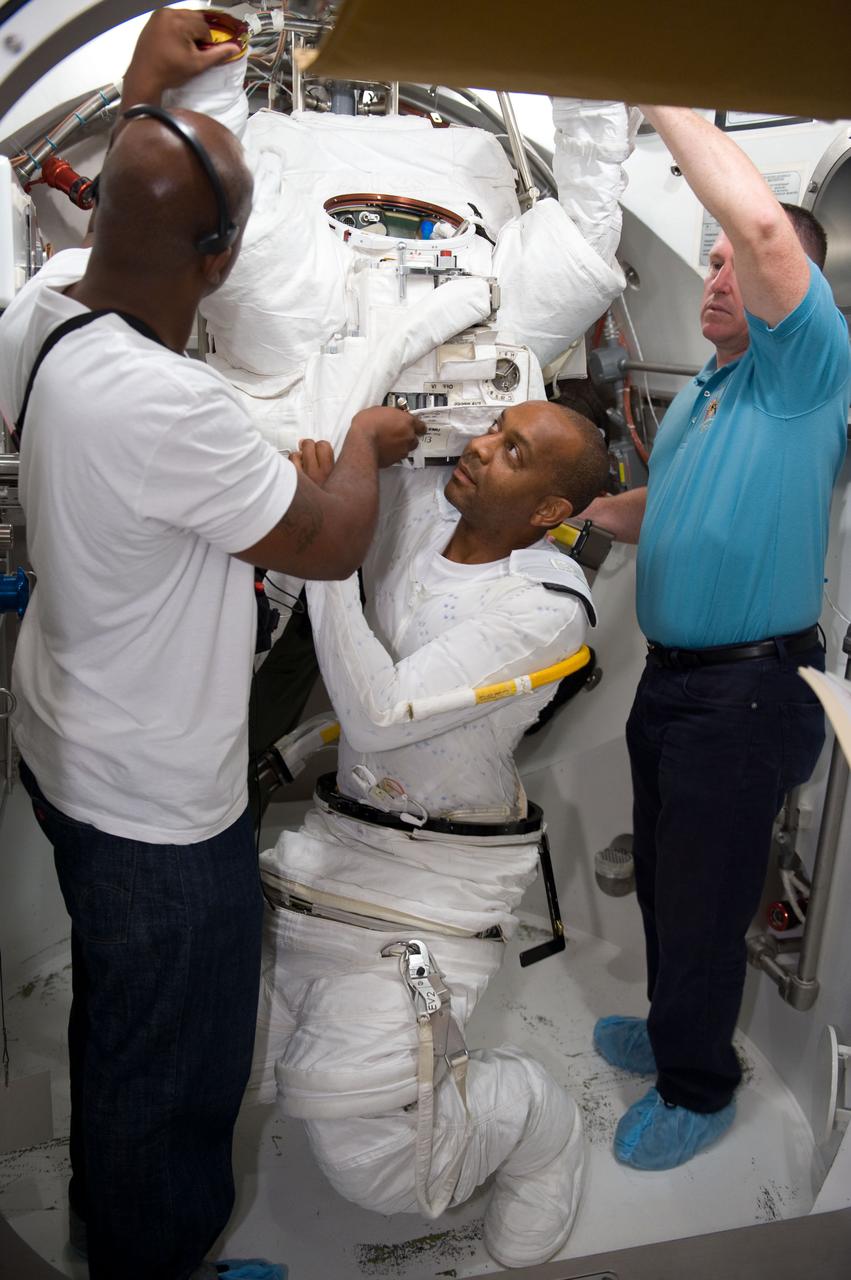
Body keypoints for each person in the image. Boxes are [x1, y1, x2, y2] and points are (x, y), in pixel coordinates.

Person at [0, 10, 421, 1280]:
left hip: (64, 746)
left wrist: (149, 91)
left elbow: (134, 203)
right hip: (157, 815)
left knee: (120, 1022)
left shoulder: (41, 318)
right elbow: (334, 538)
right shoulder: (175, 408)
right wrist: (363, 446)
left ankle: (109, 1218)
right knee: (172, 1064)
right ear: (223, 259)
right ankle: (152, 1256)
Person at [253, 401, 609, 1270]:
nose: (482, 448)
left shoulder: (545, 606)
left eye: (513, 451)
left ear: (548, 513)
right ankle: (426, 1063)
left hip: (432, 887)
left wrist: (329, 541)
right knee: (263, 1051)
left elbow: (378, 716)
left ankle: (538, 1124)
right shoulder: (419, 508)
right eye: (493, 429)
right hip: (340, 846)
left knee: (372, 1165)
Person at [583, 106, 851, 1171]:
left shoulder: (804, 376)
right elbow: (669, 498)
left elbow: (772, 236)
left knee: (700, 899)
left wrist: (657, 95)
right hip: (675, 686)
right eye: (706, 263)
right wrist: (587, 513)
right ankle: (670, 1027)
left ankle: (698, 1086)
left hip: (745, 697)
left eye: (732, 263)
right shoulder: (706, 385)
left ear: (794, 294)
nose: (713, 278)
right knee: (663, 877)